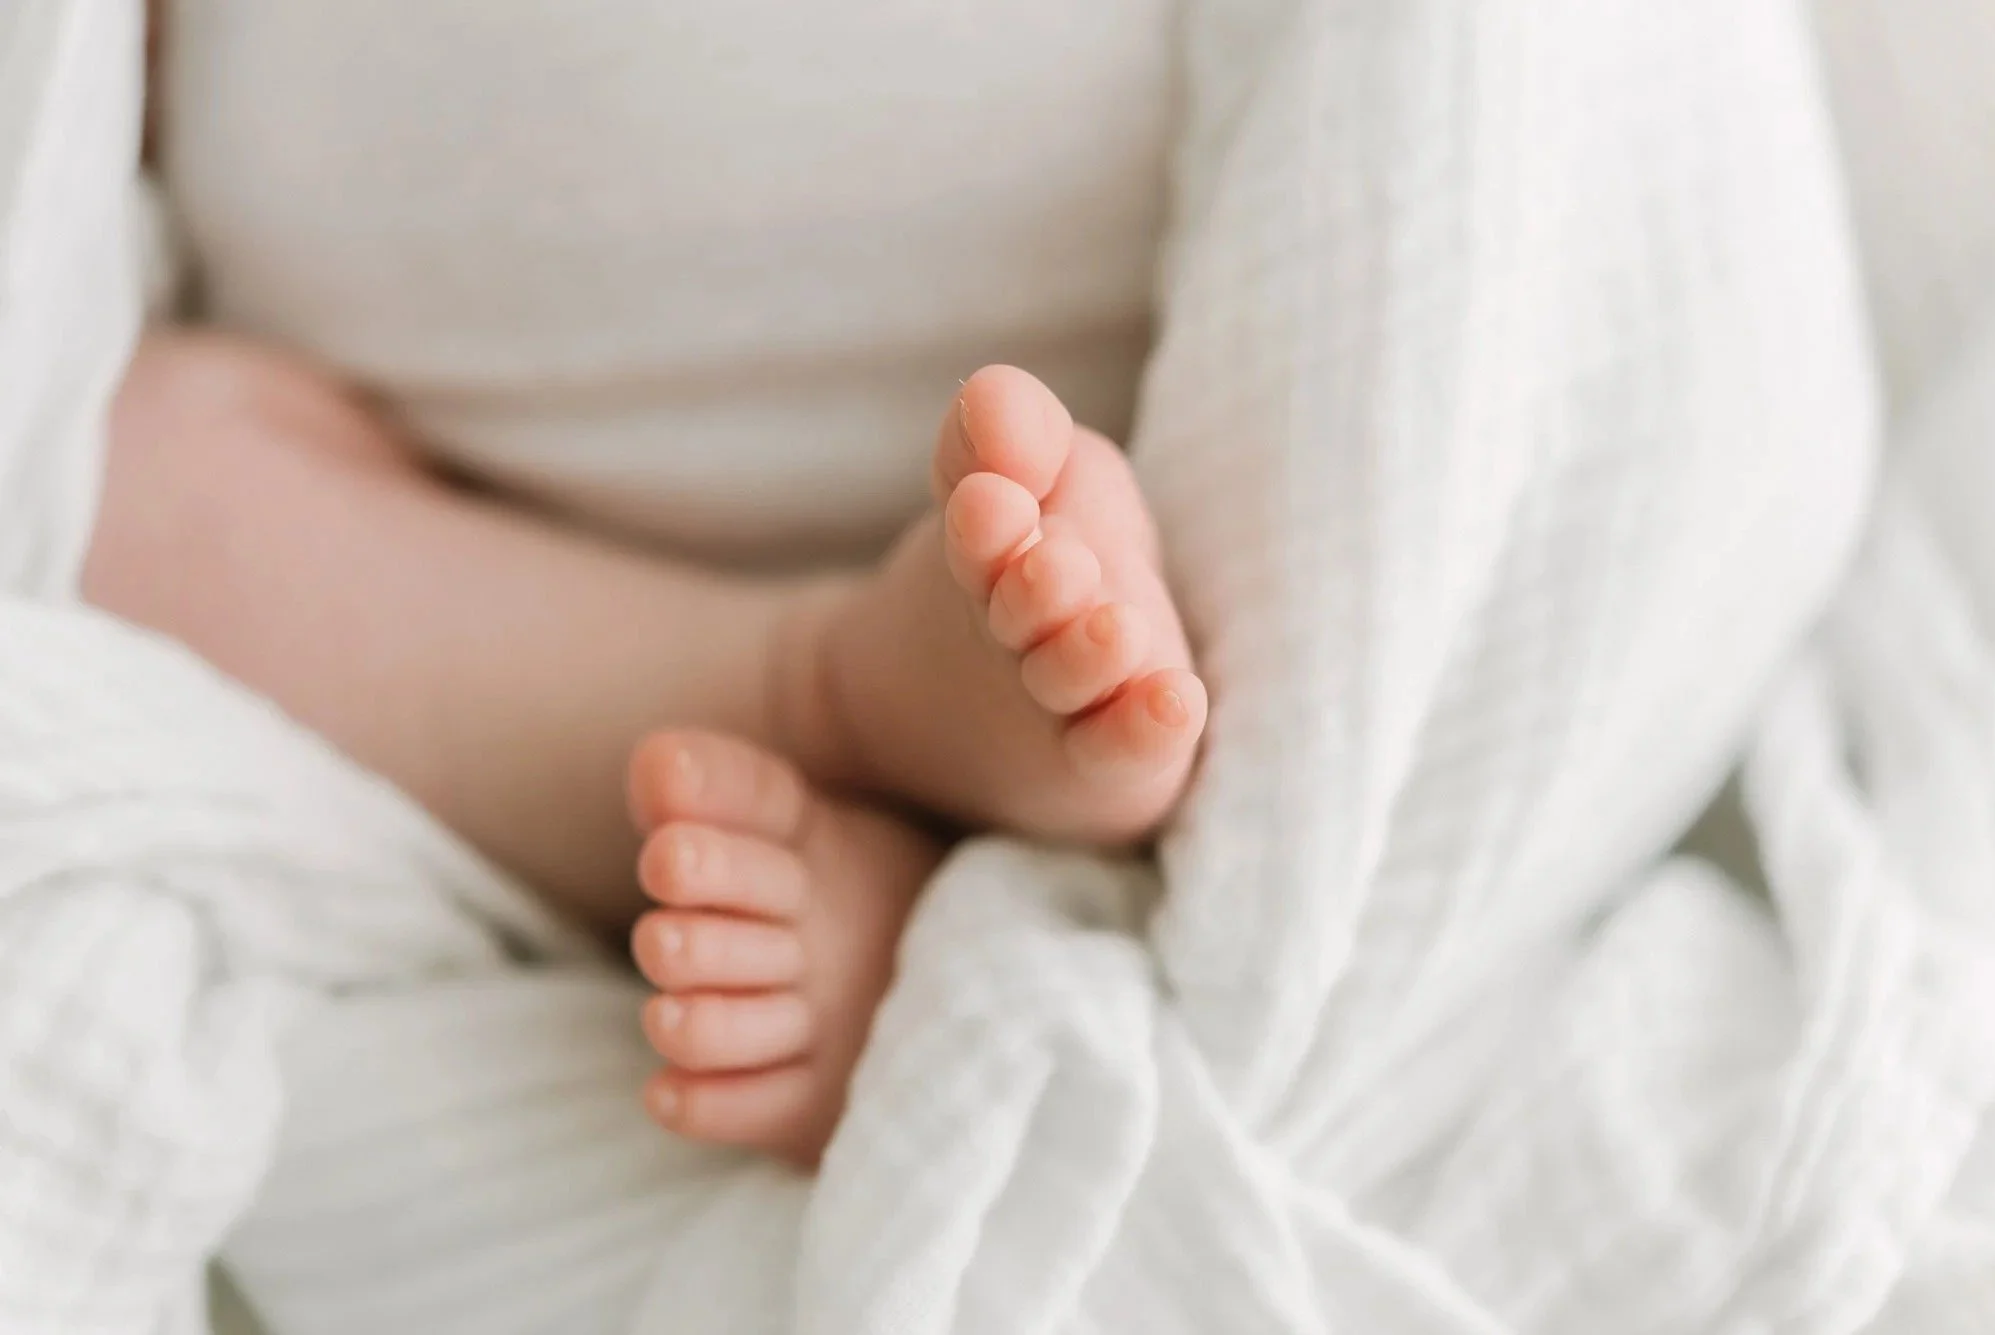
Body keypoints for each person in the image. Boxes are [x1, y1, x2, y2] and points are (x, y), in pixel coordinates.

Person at [90, 0, 1206, 1167]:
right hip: (529, 547)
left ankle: (902, 707)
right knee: (107, 500)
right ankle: (830, 704)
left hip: (1128, 193)